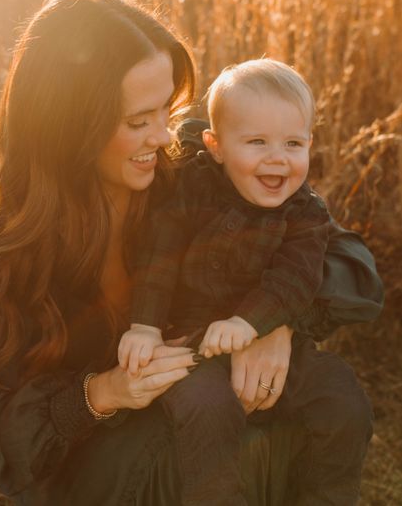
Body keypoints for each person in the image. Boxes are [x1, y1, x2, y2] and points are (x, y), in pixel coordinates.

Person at [0, 0, 383, 506]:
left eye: (165, 111)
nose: (161, 136)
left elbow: (345, 258)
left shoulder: (194, 169)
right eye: (137, 122)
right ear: (72, 126)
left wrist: (272, 320)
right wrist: (103, 393)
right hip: (109, 463)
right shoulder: (10, 251)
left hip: (213, 407)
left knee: (317, 410)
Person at [119, 59, 372, 505]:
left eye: (294, 143)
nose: (278, 157)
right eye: (257, 142)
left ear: (310, 144)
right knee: (207, 411)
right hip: (190, 344)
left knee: (340, 395)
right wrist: (145, 325)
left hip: (272, 337)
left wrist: (250, 322)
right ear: (216, 147)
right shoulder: (191, 188)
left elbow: (295, 279)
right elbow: (159, 258)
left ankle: (327, 497)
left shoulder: (306, 213)